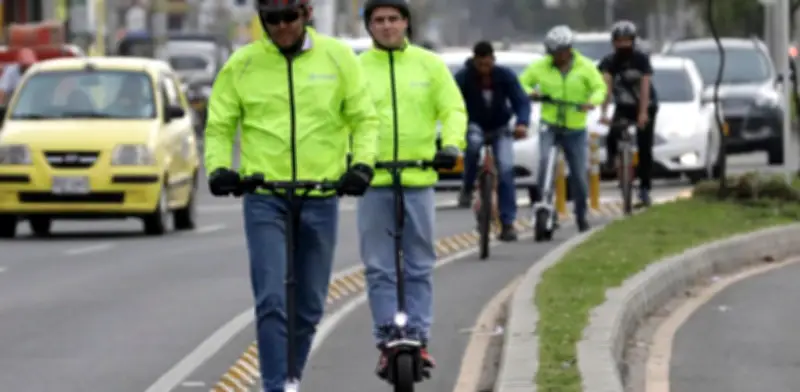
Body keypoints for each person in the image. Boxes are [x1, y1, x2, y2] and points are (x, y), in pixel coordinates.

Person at [203, 0, 380, 390]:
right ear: (261, 20)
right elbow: (219, 125)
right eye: (271, 19)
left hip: (321, 194)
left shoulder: (338, 58)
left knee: (311, 304)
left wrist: (362, 165)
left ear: (307, 14)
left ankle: (290, 377)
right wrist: (218, 168)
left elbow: (364, 118)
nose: (281, 26)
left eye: (289, 17)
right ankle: (274, 386)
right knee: (271, 300)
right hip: (264, 196)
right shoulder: (243, 64)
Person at [357, 0, 467, 381]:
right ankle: (387, 338)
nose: (387, 26)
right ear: (369, 27)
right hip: (374, 181)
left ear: (406, 23)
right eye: (378, 21)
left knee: (419, 263)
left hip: (419, 179)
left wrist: (450, 146)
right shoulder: (355, 70)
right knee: (378, 267)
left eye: (393, 19)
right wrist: (350, 162)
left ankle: (418, 335)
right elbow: (337, 119)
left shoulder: (429, 65)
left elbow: (452, 108)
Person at [518, 25, 606, 232]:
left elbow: (599, 88)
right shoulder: (540, 66)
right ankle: (545, 207)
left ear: (569, 49)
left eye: (561, 52)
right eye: (553, 52)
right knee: (544, 163)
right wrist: (532, 93)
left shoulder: (585, 67)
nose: (558, 57)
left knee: (578, 174)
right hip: (550, 124)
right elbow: (520, 83)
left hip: (575, 127)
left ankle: (581, 214)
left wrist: (592, 102)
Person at [454, 41, 531, 241]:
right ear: (474, 61)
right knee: (472, 146)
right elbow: (451, 102)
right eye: (480, 65)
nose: (484, 69)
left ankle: (508, 222)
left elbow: (521, 100)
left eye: (488, 64)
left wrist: (522, 123)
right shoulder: (463, 78)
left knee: (505, 168)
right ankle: (468, 186)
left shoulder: (505, 76)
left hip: (500, 127)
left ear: (493, 60)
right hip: (474, 124)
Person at [598, 20, 658, 206]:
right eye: (619, 41)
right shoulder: (609, 62)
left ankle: (645, 188)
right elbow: (605, 88)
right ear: (614, 42)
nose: (623, 44)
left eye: (627, 40)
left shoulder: (641, 59)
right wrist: (604, 111)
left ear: (633, 41)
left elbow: (645, 86)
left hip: (646, 104)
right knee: (612, 135)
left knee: (644, 145)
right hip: (623, 106)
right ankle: (613, 162)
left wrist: (643, 113)